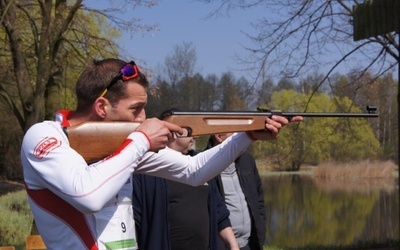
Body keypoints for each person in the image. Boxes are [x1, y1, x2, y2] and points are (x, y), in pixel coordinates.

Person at [21, 58, 301, 249]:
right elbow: (87, 196)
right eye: (136, 108)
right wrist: (141, 140)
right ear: (102, 107)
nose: (144, 117)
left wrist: (246, 135)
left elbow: (194, 172)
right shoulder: (45, 137)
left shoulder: (125, 146)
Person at [132, 109, 239, 250]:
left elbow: (219, 210)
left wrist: (233, 244)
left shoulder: (203, 165)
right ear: (173, 131)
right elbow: (137, 221)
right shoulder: (148, 171)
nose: (194, 136)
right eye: (189, 131)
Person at [207, 133, 267, 250]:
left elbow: (258, 199)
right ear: (219, 136)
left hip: (250, 244)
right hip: (221, 245)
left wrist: (261, 230)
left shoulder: (247, 159)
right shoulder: (203, 167)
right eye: (236, 134)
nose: (242, 137)